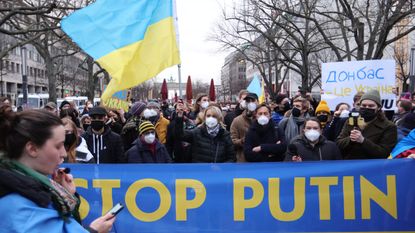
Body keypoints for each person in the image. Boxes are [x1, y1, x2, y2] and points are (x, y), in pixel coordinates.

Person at [0, 109, 115, 232]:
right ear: (32, 148)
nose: (64, 153)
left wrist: (67, 195)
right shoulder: (22, 209)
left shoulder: (25, 191)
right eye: (58, 146)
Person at [336, 90, 397, 159]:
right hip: (350, 164)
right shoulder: (351, 121)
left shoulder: (389, 126)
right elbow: (338, 144)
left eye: (371, 106)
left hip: (371, 166)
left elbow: (384, 153)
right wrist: (350, 139)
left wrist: (363, 141)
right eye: (364, 105)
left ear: (379, 107)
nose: (367, 108)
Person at [230, 92, 258, 162]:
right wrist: (242, 141)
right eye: (248, 101)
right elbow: (232, 140)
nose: (250, 103)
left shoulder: (264, 119)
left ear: (258, 102)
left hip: (261, 159)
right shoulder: (237, 120)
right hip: (243, 160)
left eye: (253, 100)